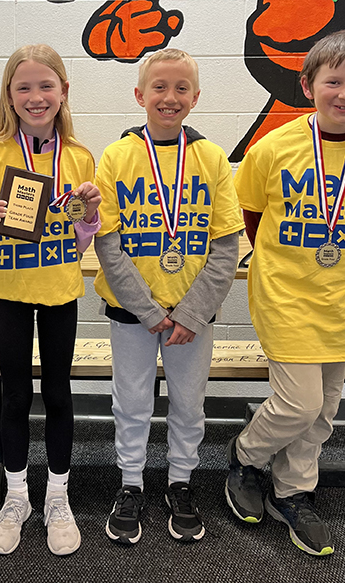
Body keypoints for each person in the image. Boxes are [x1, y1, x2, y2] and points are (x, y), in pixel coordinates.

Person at [226, 30, 345, 556]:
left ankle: (293, 491)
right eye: (333, 81)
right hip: (286, 296)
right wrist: (284, 263)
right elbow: (251, 214)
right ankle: (246, 454)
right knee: (299, 404)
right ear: (307, 84)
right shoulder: (273, 148)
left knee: (323, 412)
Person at [94, 48, 244, 545]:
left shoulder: (211, 158)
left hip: (192, 315)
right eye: (159, 87)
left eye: (182, 88)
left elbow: (226, 246)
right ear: (140, 95)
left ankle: (180, 482)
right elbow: (107, 242)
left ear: (196, 97)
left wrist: (193, 312)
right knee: (132, 401)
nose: (170, 97)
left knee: (188, 402)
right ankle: (130, 484)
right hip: (132, 312)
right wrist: (148, 310)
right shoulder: (117, 157)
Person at [0, 44, 101, 556]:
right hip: (9, 295)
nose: (35, 97)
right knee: (15, 396)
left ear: (64, 91)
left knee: (58, 394)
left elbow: (80, 242)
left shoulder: (80, 156)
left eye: (46, 86)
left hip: (60, 292)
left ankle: (58, 496)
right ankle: (17, 496)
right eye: (24, 87)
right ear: (9, 94)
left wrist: (89, 216)